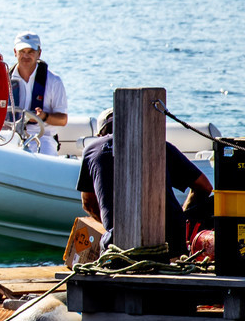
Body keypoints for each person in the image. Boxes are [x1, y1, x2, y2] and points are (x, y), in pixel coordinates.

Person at [76, 108, 212, 257]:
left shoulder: (92, 150)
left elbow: (88, 203)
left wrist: (112, 225)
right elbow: (205, 187)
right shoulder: (160, 144)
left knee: (107, 246)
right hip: (170, 240)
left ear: (100, 134)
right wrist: (182, 216)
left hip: (120, 243)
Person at [8, 32, 68, 155]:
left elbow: (62, 120)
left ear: (39, 53)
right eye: (22, 51)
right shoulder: (4, 81)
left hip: (43, 138)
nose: (26, 55)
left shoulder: (54, 81)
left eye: (30, 51)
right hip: (11, 136)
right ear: (15, 52)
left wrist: (44, 117)